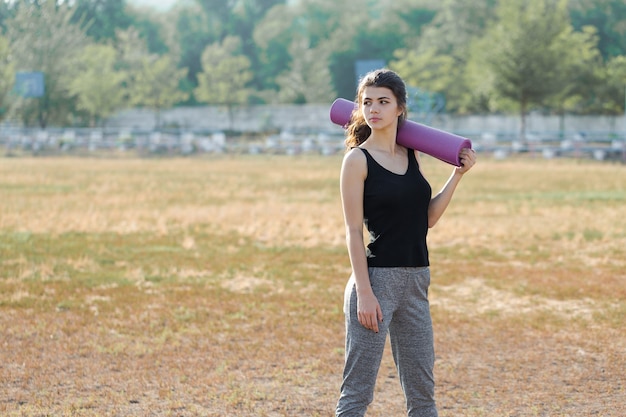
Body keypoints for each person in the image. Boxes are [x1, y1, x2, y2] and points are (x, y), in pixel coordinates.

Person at [335, 69, 476, 417]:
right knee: (357, 393)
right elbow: (353, 231)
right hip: (376, 283)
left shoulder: (411, 155)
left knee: (422, 393)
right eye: (367, 102)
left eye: (383, 101)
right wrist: (365, 294)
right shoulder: (356, 160)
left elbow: (423, 220)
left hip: (416, 280)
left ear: (399, 108)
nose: (374, 109)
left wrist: (456, 176)